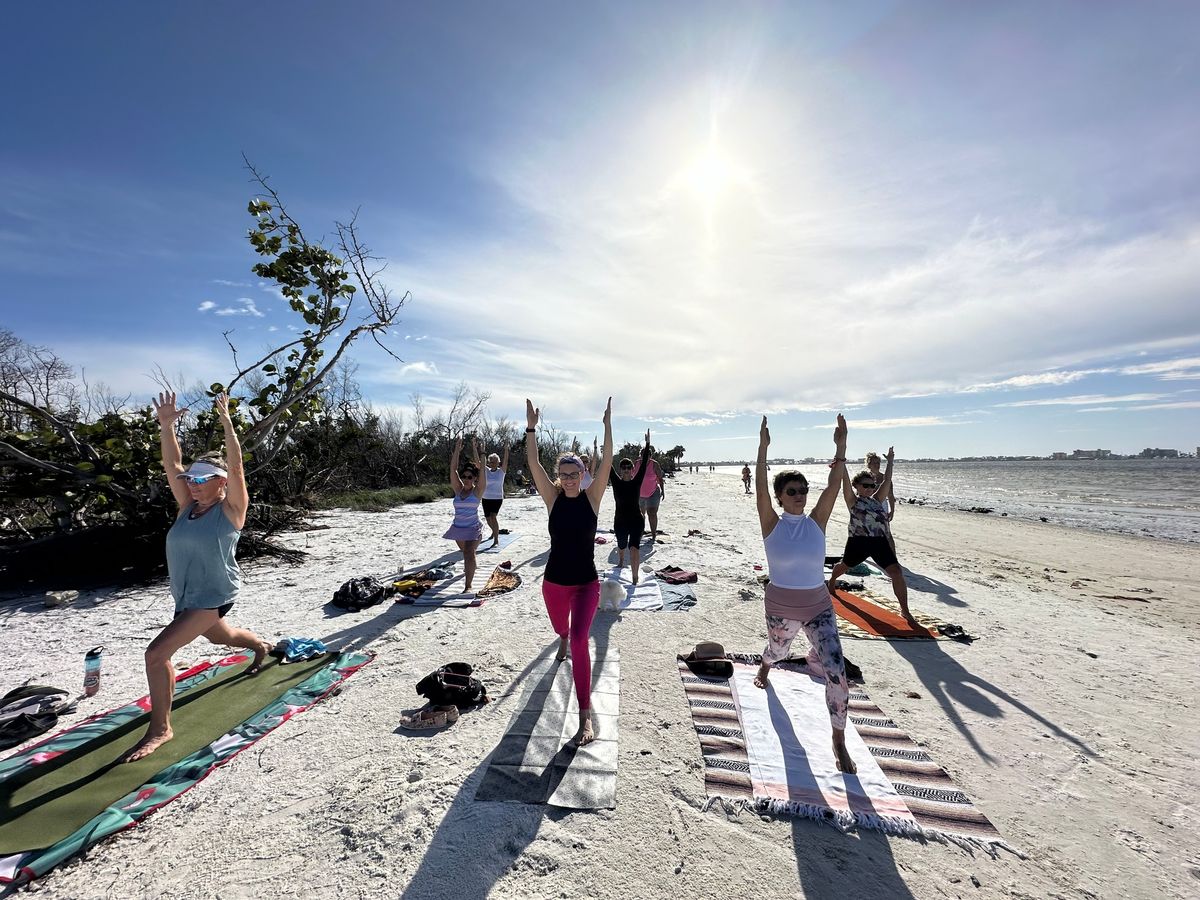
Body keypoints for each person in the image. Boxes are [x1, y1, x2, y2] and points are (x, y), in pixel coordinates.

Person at [122, 391, 272, 763]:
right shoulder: (187, 507)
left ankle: (161, 729)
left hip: (213, 594)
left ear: (221, 482)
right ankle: (260, 646)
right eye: (191, 477)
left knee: (157, 654)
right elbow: (172, 463)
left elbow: (237, 469)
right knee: (224, 638)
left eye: (203, 478)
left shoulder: (231, 510)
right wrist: (167, 426)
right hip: (188, 598)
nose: (192, 482)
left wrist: (228, 427)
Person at [753, 413, 857, 774]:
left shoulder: (817, 521)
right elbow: (761, 490)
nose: (799, 496)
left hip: (818, 607)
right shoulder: (771, 522)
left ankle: (838, 740)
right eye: (792, 492)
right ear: (781, 497)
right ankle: (766, 663)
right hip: (781, 606)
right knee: (779, 652)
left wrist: (841, 448)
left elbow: (832, 487)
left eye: (802, 491)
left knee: (836, 671)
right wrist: (763, 449)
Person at [525, 396, 613, 746]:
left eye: (575, 474)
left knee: (580, 641)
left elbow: (607, 460)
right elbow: (532, 462)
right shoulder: (553, 497)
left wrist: (607, 426)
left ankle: (585, 717)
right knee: (561, 629)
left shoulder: (593, 498)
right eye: (564, 475)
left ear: (582, 474)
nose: (570, 479)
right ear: (559, 478)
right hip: (554, 584)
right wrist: (531, 427)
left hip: (586, 583)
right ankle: (560, 636)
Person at [827, 446, 915, 624]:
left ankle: (905, 610)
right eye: (865, 486)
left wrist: (890, 461)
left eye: (871, 485)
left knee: (896, 572)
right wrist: (841, 461)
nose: (869, 488)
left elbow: (887, 480)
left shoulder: (877, 500)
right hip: (858, 542)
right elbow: (844, 480)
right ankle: (832, 581)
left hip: (879, 543)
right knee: (844, 566)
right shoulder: (853, 501)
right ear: (857, 487)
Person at [609, 430, 653, 582]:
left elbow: (644, 463)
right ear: (620, 469)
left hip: (636, 520)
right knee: (621, 545)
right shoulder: (616, 481)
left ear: (632, 469)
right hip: (620, 521)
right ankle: (621, 561)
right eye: (624, 467)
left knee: (634, 548)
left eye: (629, 467)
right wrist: (603, 448)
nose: (627, 470)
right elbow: (607, 463)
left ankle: (635, 577)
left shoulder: (637, 481)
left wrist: (647, 444)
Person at [443, 436, 486, 591]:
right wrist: (457, 450)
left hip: (473, 528)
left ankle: (468, 586)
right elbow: (453, 469)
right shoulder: (458, 489)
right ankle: (472, 566)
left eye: (470, 477)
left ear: (474, 478)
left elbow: (482, 470)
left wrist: (479, 452)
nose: (466, 479)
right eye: (464, 476)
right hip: (458, 528)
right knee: (465, 553)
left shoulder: (477, 491)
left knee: (469, 552)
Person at [865, 450, 898, 553]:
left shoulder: (885, 478)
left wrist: (892, 510)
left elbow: (891, 496)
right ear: (869, 465)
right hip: (868, 507)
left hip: (882, 507)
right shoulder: (864, 478)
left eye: (878, 463)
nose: (877, 465)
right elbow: (859, 494)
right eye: (874, 463)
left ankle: (893, 557)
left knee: (887, 533)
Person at [482, 446, 510, 547]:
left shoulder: (501, 471)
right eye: (491, 462)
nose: (492, 463)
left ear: (498, 462)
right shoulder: (486, 470)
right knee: (488, 519)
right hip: (485, 497)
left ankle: (496, 539)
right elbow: (477, 461)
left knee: (493, 517)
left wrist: (506, 450)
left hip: (497, 498)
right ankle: (494, 531)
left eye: (494, 461)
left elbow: (506, 460)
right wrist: (480, 451)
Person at [634, 452, 665, 543]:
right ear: (640, 455)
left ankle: (654, 534)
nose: (645, 457)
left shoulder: (654, 464)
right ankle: (640, 532)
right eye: (643, 455)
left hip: (653, 493)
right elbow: (631, 476)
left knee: (652, 513)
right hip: (639, 494)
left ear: (650, 456)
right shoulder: (636, 463)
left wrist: (663, 490)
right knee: (640, 515)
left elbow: (660, 478)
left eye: (647, 455)